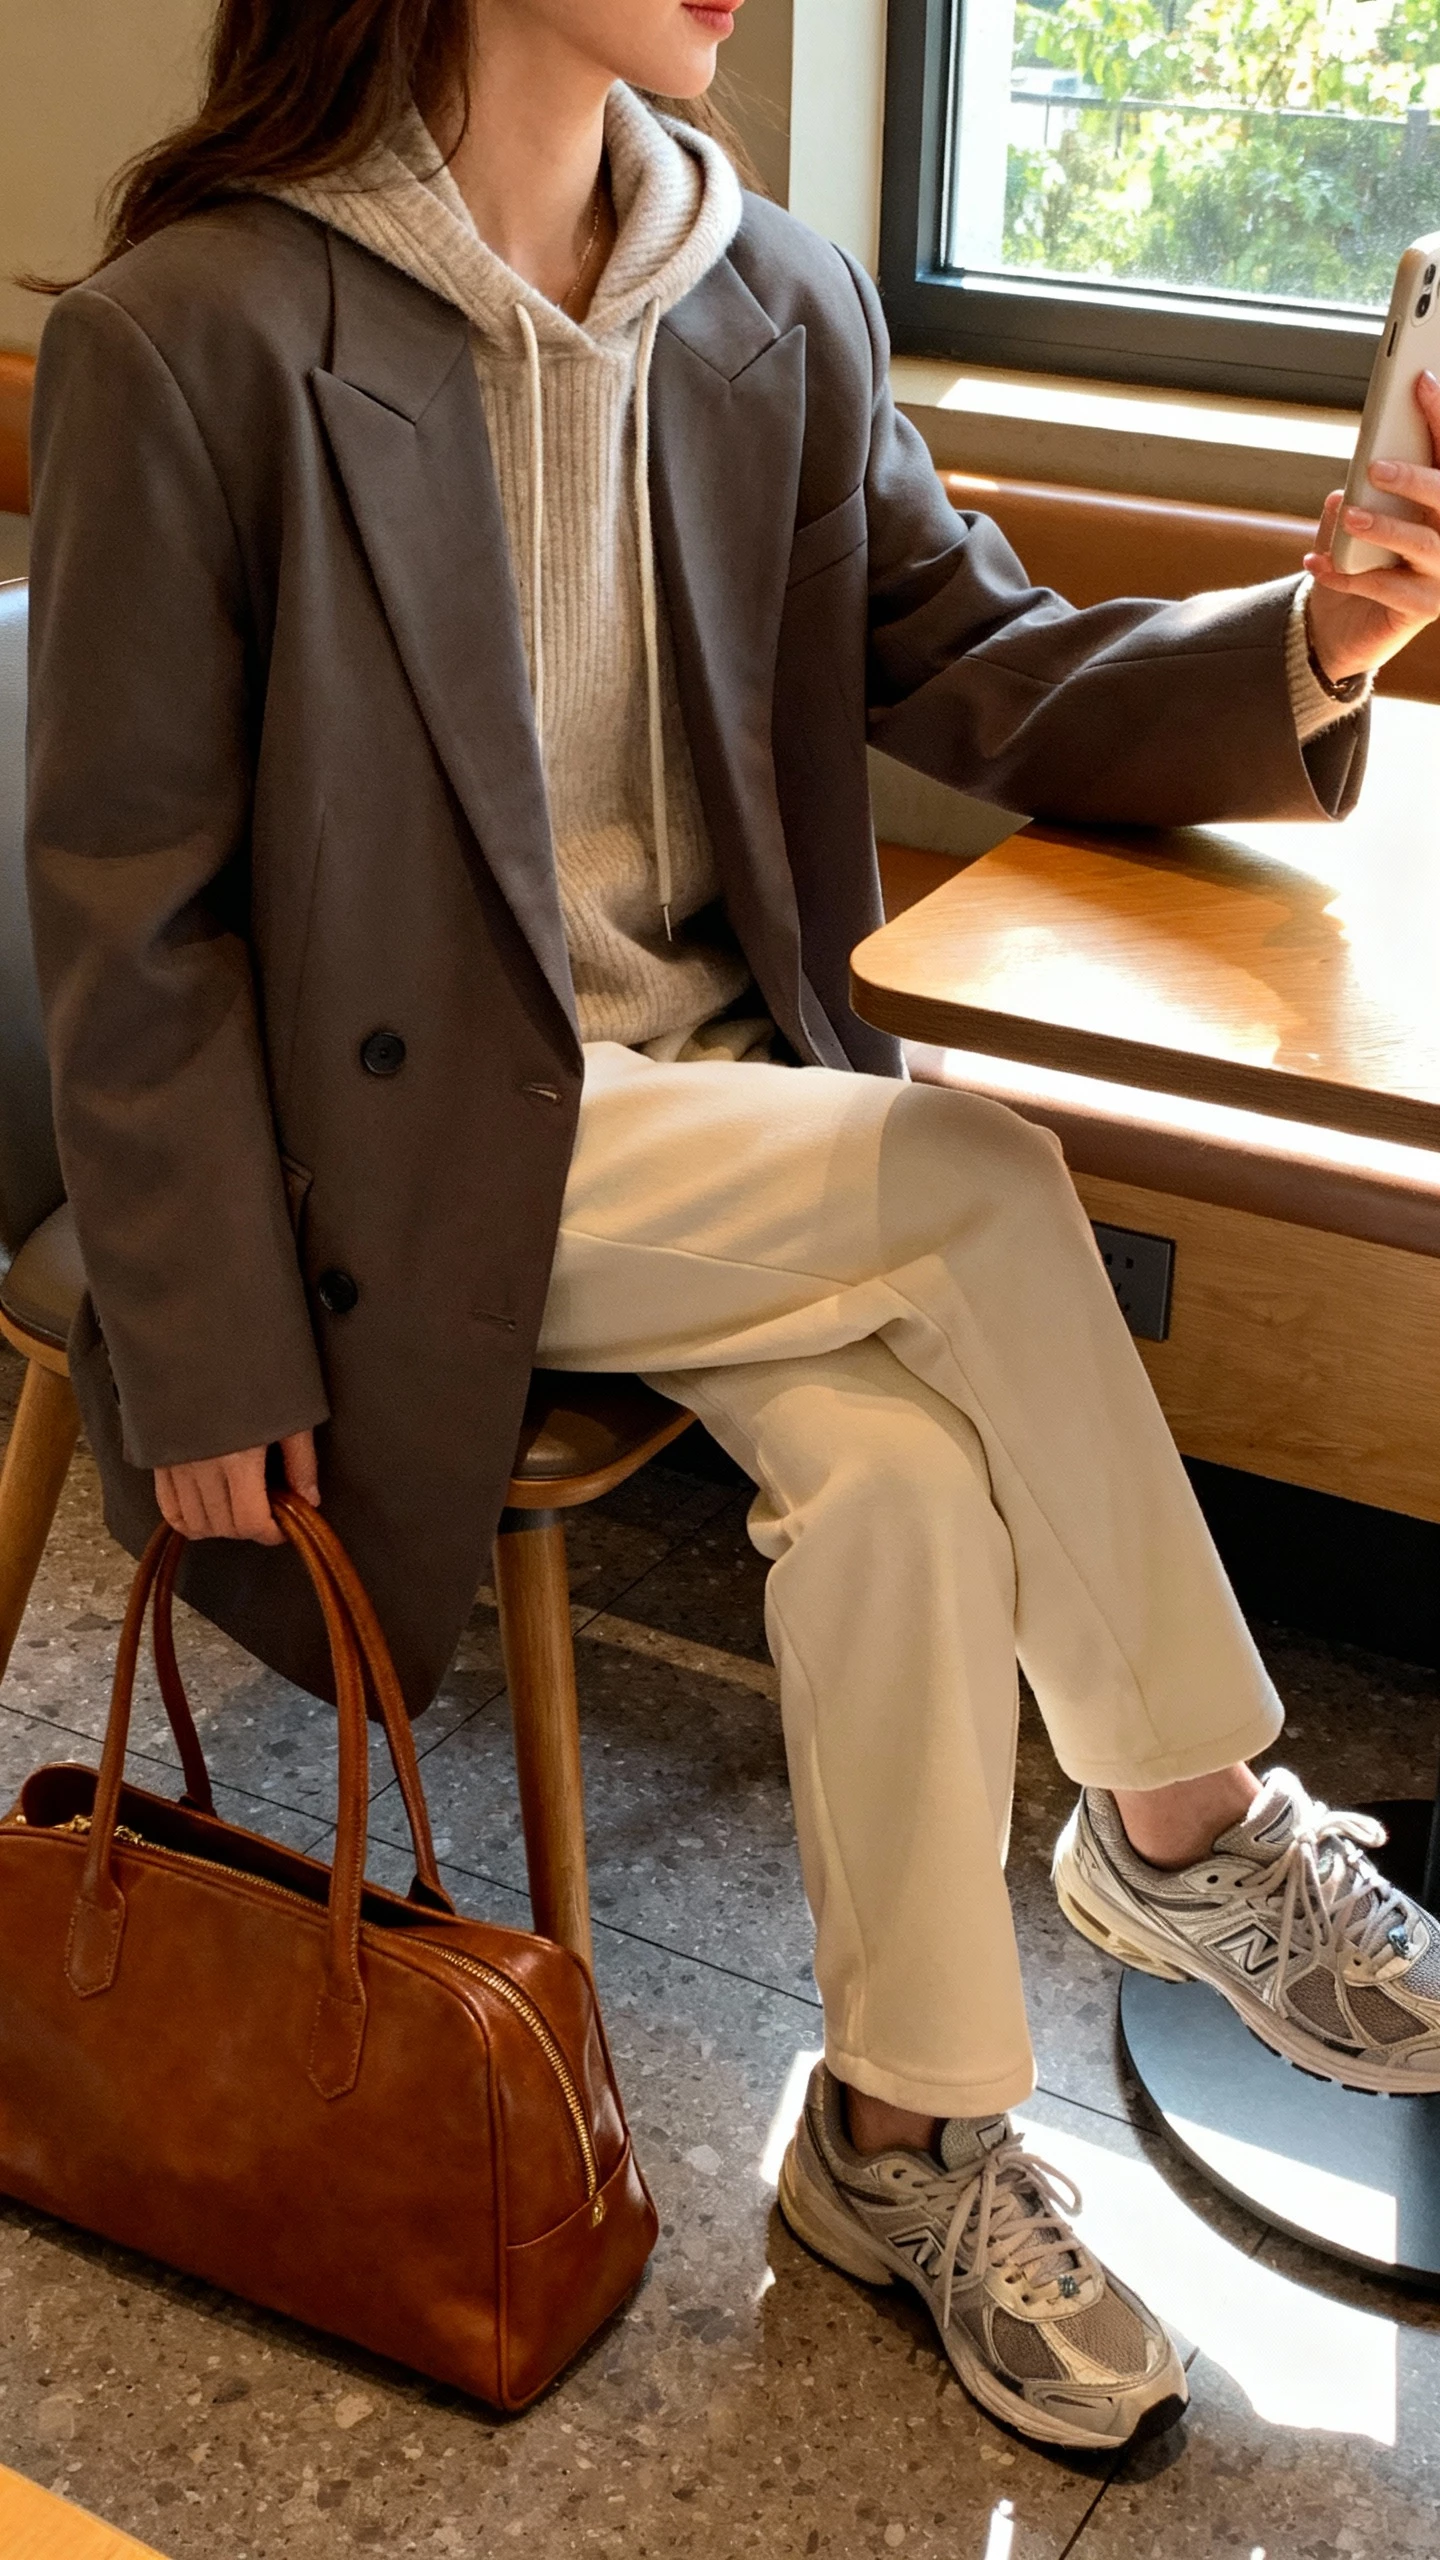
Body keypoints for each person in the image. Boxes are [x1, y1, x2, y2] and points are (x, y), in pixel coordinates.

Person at [24, 0, 1440, 2457]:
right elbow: (128, 918)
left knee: (898, 1482)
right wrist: (206, 1331)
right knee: (984, 1177)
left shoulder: (765, 296)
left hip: (713, 1111)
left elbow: (979, 660)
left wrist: (1317, 635)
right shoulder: (205, 329)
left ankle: (896, 2142)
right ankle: (1198, 1821)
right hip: (404, 1160)